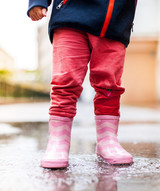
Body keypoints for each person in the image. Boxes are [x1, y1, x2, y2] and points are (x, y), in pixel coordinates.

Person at [27, 0, 137, 168]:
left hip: (114, 18)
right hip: (70, 13)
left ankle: (107, 141)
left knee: (109, 84)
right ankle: (58, 142)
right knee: (65, 81)